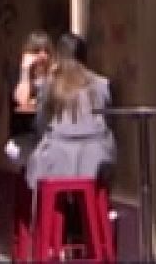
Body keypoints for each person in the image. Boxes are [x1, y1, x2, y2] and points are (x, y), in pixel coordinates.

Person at [25, 33, 115, 192]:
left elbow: (41, 124)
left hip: (56, 162)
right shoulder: (102, 84)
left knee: (32, 152)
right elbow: (108, 121)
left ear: (58, 57)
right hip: (96, 162)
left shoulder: (49, 85)